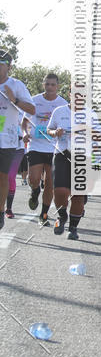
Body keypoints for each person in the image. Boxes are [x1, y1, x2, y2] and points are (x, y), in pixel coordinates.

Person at [46, 100, 101, 239]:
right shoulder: (59, 111)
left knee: (78, 195)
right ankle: (62, 215)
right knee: (60, 191)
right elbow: (49, 130)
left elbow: (100, 137)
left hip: (83, 156)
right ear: (70, 94)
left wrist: (87, 129)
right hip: (62, 152)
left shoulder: (91, 114)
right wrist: (55, 132)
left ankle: (73, 228)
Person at [22, 73, 67, 226]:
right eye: (47, 84)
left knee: (50, 184)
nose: (50, 87)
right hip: (35, 145)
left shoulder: (62, 104)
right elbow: (24, 121)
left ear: (58, 86)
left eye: (53, 85)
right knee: (34, 179)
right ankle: (35, 192)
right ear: (43, 85)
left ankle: (44, 214)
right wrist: (25, 133)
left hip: (54, 147)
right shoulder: (34, 100)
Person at [0, 51, 35, 229]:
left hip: (6, 139)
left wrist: (14, 100)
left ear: (9, 66)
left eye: (1, 63)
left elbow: (32, 109)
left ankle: (1, 211)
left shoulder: (16, 85)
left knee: (3, 176)